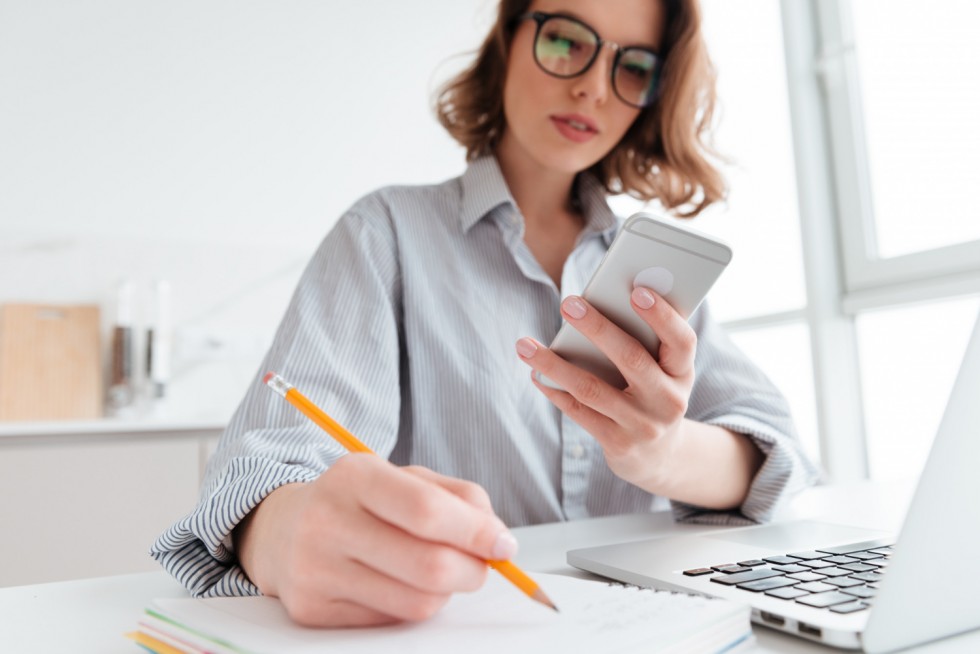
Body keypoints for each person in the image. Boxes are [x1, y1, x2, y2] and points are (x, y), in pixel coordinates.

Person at [152, 0, 817, 628]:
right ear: (508, 37)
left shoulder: (648, 273)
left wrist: (664, 453)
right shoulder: (387, 234)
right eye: (565, 41)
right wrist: (287, 536)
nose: (594, 88)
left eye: (633, 66)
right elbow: (266, 469)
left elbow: (774, 455)